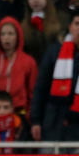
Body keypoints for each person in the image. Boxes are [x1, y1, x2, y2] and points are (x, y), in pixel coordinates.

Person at [30, 11, 79, 143]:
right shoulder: (54, 52)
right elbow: (41, 87)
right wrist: (35, 120)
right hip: (53, 122)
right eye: (77, 24)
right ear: (70, 27)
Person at [0, 17, 36, 122]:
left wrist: (30, 116)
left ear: (18, 36)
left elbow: (32, 92)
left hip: (20, 114)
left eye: (11, 34)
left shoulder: (29, 61)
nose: (6, 38)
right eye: (3, 34)